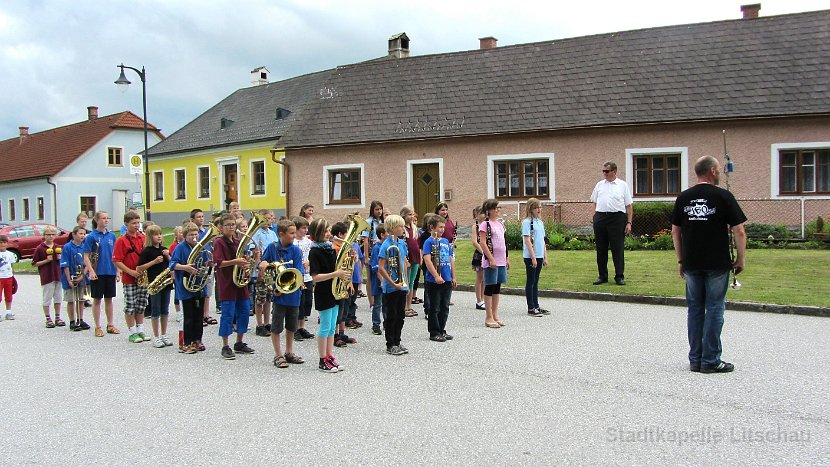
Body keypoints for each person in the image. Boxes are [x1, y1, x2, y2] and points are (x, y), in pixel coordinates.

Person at [671, 155, 747, 374]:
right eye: (718, 170)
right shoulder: (723, 196)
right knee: (715, 308)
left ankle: (695, 359)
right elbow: (739, 230)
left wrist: (681, 259)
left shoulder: (683, 198)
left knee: (695, 309)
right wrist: (740, 259)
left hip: (692, 261)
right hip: (717, 262)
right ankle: (711, 360)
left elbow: (676, 231)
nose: (720, 173)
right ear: (712, 170)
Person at [260, 219, 306, 369]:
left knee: (291, 326)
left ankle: (289, 352)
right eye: (291, 233)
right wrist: (264, 264)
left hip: (293, 294)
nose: (294, 236)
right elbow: (264, 265)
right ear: (281, 234)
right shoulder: (272, 248)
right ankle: (278, 354)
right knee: (276, 326)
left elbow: (298, 271)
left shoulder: (296, 251)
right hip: (278, 294)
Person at [308, 218, 349, 373]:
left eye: (328, 230)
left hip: (334, 292)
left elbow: (338, 269)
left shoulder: (330, 248)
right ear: (318, 233)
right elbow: (315, 277)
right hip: (323, 292)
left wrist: (343, 279)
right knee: (325, 327)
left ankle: (329, 355)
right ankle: (322, 359)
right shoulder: (315, 251)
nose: (329, 234)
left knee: (332, 328)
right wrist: (336, 274)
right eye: (325, 231)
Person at [213, 213, 255, 360]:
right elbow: (218, 262)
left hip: (240, 282)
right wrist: (235, 262)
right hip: (227, 283)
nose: (231, 227)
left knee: (244, 311)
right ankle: (225, 345)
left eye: (233, 225)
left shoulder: (238, 241)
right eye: (228, 225)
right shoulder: (219, 242)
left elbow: (242, 259)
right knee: (228, 315)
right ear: (221, 227)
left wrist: (247, 261)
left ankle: (239, 342)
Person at [590, 161, 633, 286]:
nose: (604, 173)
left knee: (617, 248)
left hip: (617, 218)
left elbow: (628, 206)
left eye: (607, 171)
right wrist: (595, 217)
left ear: (614, 171)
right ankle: (602, 276)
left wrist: (629, 222)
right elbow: (594, 201)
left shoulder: (622, 185)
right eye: (603, 171)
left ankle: (619, 276)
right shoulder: (599, 185)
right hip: (601, 217)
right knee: (601, 249)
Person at [112, 211, 150, 344]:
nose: (136, 225)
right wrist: (130, 272)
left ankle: (140, 329)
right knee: (130, 306)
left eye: (138, 223)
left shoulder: (143, 238)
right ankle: (132, 332)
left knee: (141, 305)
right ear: (126, 224)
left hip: (142, 277)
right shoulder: (121, 241)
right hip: (129, 278)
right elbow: (117, 260)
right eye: (133, 223)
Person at [170, 222, 208, 354]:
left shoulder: (201, 247)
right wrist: (185, 267)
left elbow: (205, 263)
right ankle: (186, 343)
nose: (194, 237)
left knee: (199, 315)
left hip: (199, 285)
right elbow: (172, 264)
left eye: (196, 234)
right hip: (185, 286)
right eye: (191, 235)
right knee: (189, 316)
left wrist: (209, 263)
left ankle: (197, 340)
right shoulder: (180, 248)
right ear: (185, 236)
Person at [377, 214, 409, 356]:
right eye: (400, 226)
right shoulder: (386, 244)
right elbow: (381, 268)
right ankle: (390, 344)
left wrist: (406, 283)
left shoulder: (401, 243)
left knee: (400, 315)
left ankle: (397, 341)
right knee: (391, 316)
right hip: (391, 287)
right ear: (392, 228)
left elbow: (403, 264)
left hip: (401, 285)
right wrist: (392, 283)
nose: (403, 228)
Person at [84, 211, 119, 337]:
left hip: (110, 271)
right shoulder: (91, 236)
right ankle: (97, 326)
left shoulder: (112, 236)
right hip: (97, 272)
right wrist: (91, 270)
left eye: (107, 218)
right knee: (97, 299)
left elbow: (115, 255)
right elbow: (86, 256)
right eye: (103, 218)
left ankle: (110, 324)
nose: (106, 220)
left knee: (109, 299)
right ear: (97, 220)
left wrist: (117, 271)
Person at [138, 225, 174, 348]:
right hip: (154, 284)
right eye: (155, 234)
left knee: (165, 310)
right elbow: (139, 268)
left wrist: (168, 256)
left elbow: (172, 264)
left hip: (166, 283)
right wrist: (154, 262)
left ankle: (164, 334)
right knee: (155, 310)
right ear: (149, 237)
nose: (159, 236)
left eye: (160, 234)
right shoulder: (146, 251)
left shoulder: (164, 249)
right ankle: (156, 336)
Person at [422, 215, 456, 342]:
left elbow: (451, 259)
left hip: (446, 278)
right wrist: (436, 275)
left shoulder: (446, 241)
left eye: (444, 227)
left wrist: (453, 276)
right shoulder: (429, 242)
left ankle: (442, 329)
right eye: (440, 227)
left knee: (444, 307)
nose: (442, 229)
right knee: (434, 307)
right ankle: (434, 332)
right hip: (434, 280)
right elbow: (427, 259)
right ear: (432, 227)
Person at [479, 199, 508, 328]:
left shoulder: (500, 224)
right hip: (491, 260)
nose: (497, 210)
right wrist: (490, 258)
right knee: (490, 287)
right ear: (489, 210)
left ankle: (495, 315)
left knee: (497, 288)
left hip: (501, 260)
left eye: (498, 208)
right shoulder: (485, 225)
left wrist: (507, 258)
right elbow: (483, 243)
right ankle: (488, 317)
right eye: (495, 208)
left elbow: (504, 242)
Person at [330, 222, 358, 347]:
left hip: (346, 281)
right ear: (340, 234)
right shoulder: (335, 248)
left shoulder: (345, 247)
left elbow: (349, 268)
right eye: (347, 233)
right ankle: (335, 335)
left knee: (344, 309)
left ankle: (342, 333)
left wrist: (350, 283)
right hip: (337, 283)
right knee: (338, 309)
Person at [32, 226, 64, 328]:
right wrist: (46, 260)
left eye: (53, 234)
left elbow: (63, 262)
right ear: (44, 235)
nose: (51, 236)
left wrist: (60, 258)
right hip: (47, 276)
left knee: (58, 297)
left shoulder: (57, 247)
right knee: (47, 298)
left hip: (58, 275)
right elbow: (34, 263)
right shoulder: (40, 248)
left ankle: (58, 317)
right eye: (48, 234)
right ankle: (48, 318)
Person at [251, 209, 277, 337]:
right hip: (261, 269)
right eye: (266, 218)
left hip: (270, 269)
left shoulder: (272, 233)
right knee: (260, 298)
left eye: (270, 218)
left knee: (268, 297)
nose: (269, 220)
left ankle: (267, 323)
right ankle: (259, 324)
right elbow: (254, 249)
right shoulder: (257, 233)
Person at [522, 198, 549, 317]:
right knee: (531, 281)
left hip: (539, 255)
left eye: (540, 207)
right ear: (531, 209)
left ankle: (536, 305)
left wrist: (545, 257)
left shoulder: (540, 222)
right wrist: (533, 257)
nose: (539, 210)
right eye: (536, 207)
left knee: (536, 281)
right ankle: (531, 307)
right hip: (530, 256)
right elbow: (527, 240)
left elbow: (543, 240)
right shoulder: (527, 222)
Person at [191, 209, 218, 326]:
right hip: (197, 264)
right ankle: (197, 315)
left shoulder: (206, 231)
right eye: (198, 217)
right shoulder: (193, 232)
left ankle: (206, 314)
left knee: (207, 290)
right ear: (192, 219)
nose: (201, 219)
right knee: (198, 290)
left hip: (207, 263)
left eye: (202, 216)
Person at [60, 226, 90, 331]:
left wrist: (82, 276)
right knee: (71, 300)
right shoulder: (67, 247)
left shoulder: (85, 246)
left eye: (84, 234)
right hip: (70, 276)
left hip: (82, 277)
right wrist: (69, 279)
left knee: (81, 299)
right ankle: (72, 321)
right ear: (74, 234)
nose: (83, 236)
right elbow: (65, 264)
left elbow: (87, 263)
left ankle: (80, 319)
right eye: (80, 233)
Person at [292, 216, 315, 342]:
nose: (305, 230)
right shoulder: (293, 242)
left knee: (307, 302)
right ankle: (294, 328)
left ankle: (301, 327)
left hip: (307, 276)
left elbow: (312, 255)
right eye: (303, 228)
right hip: (297, 276)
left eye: (307, 228)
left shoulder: (308, 242)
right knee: (298, 303)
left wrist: (309, 262)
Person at [361, 201, 385, 299]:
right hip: (372, 252)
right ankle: (371, 300)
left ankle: (379, 297)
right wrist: (366, 257)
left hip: (381, 250)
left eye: (380, 209)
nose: (379, 211)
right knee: (371, 277)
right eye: (377, 209)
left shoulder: (382, 222)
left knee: (381, 274)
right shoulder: (369, 222)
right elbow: (365, 240)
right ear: (372, 210)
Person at [400, 206, 421, 317]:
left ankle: (409, 305)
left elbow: (417, 243)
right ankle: (404, 307)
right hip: (407, 258)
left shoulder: (414, 228)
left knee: (412, 282)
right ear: (404, 215)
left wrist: (420, 257)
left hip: (415, 257)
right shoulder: (402, 229)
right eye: (409, 214)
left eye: (413, 214)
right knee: (406, 282)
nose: (412, 216)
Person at [369, 224, 386, 335]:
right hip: (379, 281)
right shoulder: (377, 248)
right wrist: (381, 281)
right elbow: (376, 268)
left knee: (386, 304)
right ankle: (376, 325)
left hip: (387, 280)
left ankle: (386, 323)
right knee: (378, 304)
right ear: (382, 235)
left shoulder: (386, 246)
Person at [470, 207, 486, 310]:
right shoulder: (475, 227)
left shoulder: (487, 225)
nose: (483, 215)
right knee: (480, 278)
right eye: (480, 213)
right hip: (480, 254)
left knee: (485, 278)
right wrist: (483, 252)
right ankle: (479, 300)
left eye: (484, 213)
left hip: (487, 253)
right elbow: (475, 242)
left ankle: (484, 298)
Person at [169, 225, 185, 317]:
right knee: (177, 292)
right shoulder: (174, 246)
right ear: (175, 234)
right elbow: (171, 260)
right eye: (180, 232)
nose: (182, 234)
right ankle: (179, 312)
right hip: (176, 272)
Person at [0, 235, 17, 321]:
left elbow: (11, 266)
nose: (2, 244)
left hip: (8, 277)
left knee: (9, 295)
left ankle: (8, 312)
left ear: (7, 243)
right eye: (1, 242)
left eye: (4, 242)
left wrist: (13, 277)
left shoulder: (10, 254)